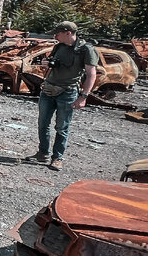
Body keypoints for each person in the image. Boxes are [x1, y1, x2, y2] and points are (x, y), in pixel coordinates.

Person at [24, 21, 98, 171]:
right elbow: (52, 63)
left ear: (68, 33)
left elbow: (91, 75)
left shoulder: (86, 50)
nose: (55, 36)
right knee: (43, 123)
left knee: (62, 127)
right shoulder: (59, 46)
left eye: (57, 33)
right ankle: (43, 153)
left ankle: (57, 158)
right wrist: (47, 63)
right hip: (49, 89)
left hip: (68, 92)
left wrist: (83, 97)